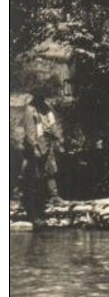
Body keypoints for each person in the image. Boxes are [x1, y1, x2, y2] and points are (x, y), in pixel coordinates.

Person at [21, 88, 63, 225]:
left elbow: (54, 124)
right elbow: (29, 132)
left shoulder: (47, 107)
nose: (43, 97)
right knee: (36, 175)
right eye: (40, 95)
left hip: (48, 142)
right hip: (36, 144)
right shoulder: (29, 110)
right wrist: (34, 148)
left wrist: (59, 139)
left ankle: (54, 196)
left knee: (51, 169)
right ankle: (34, 209)